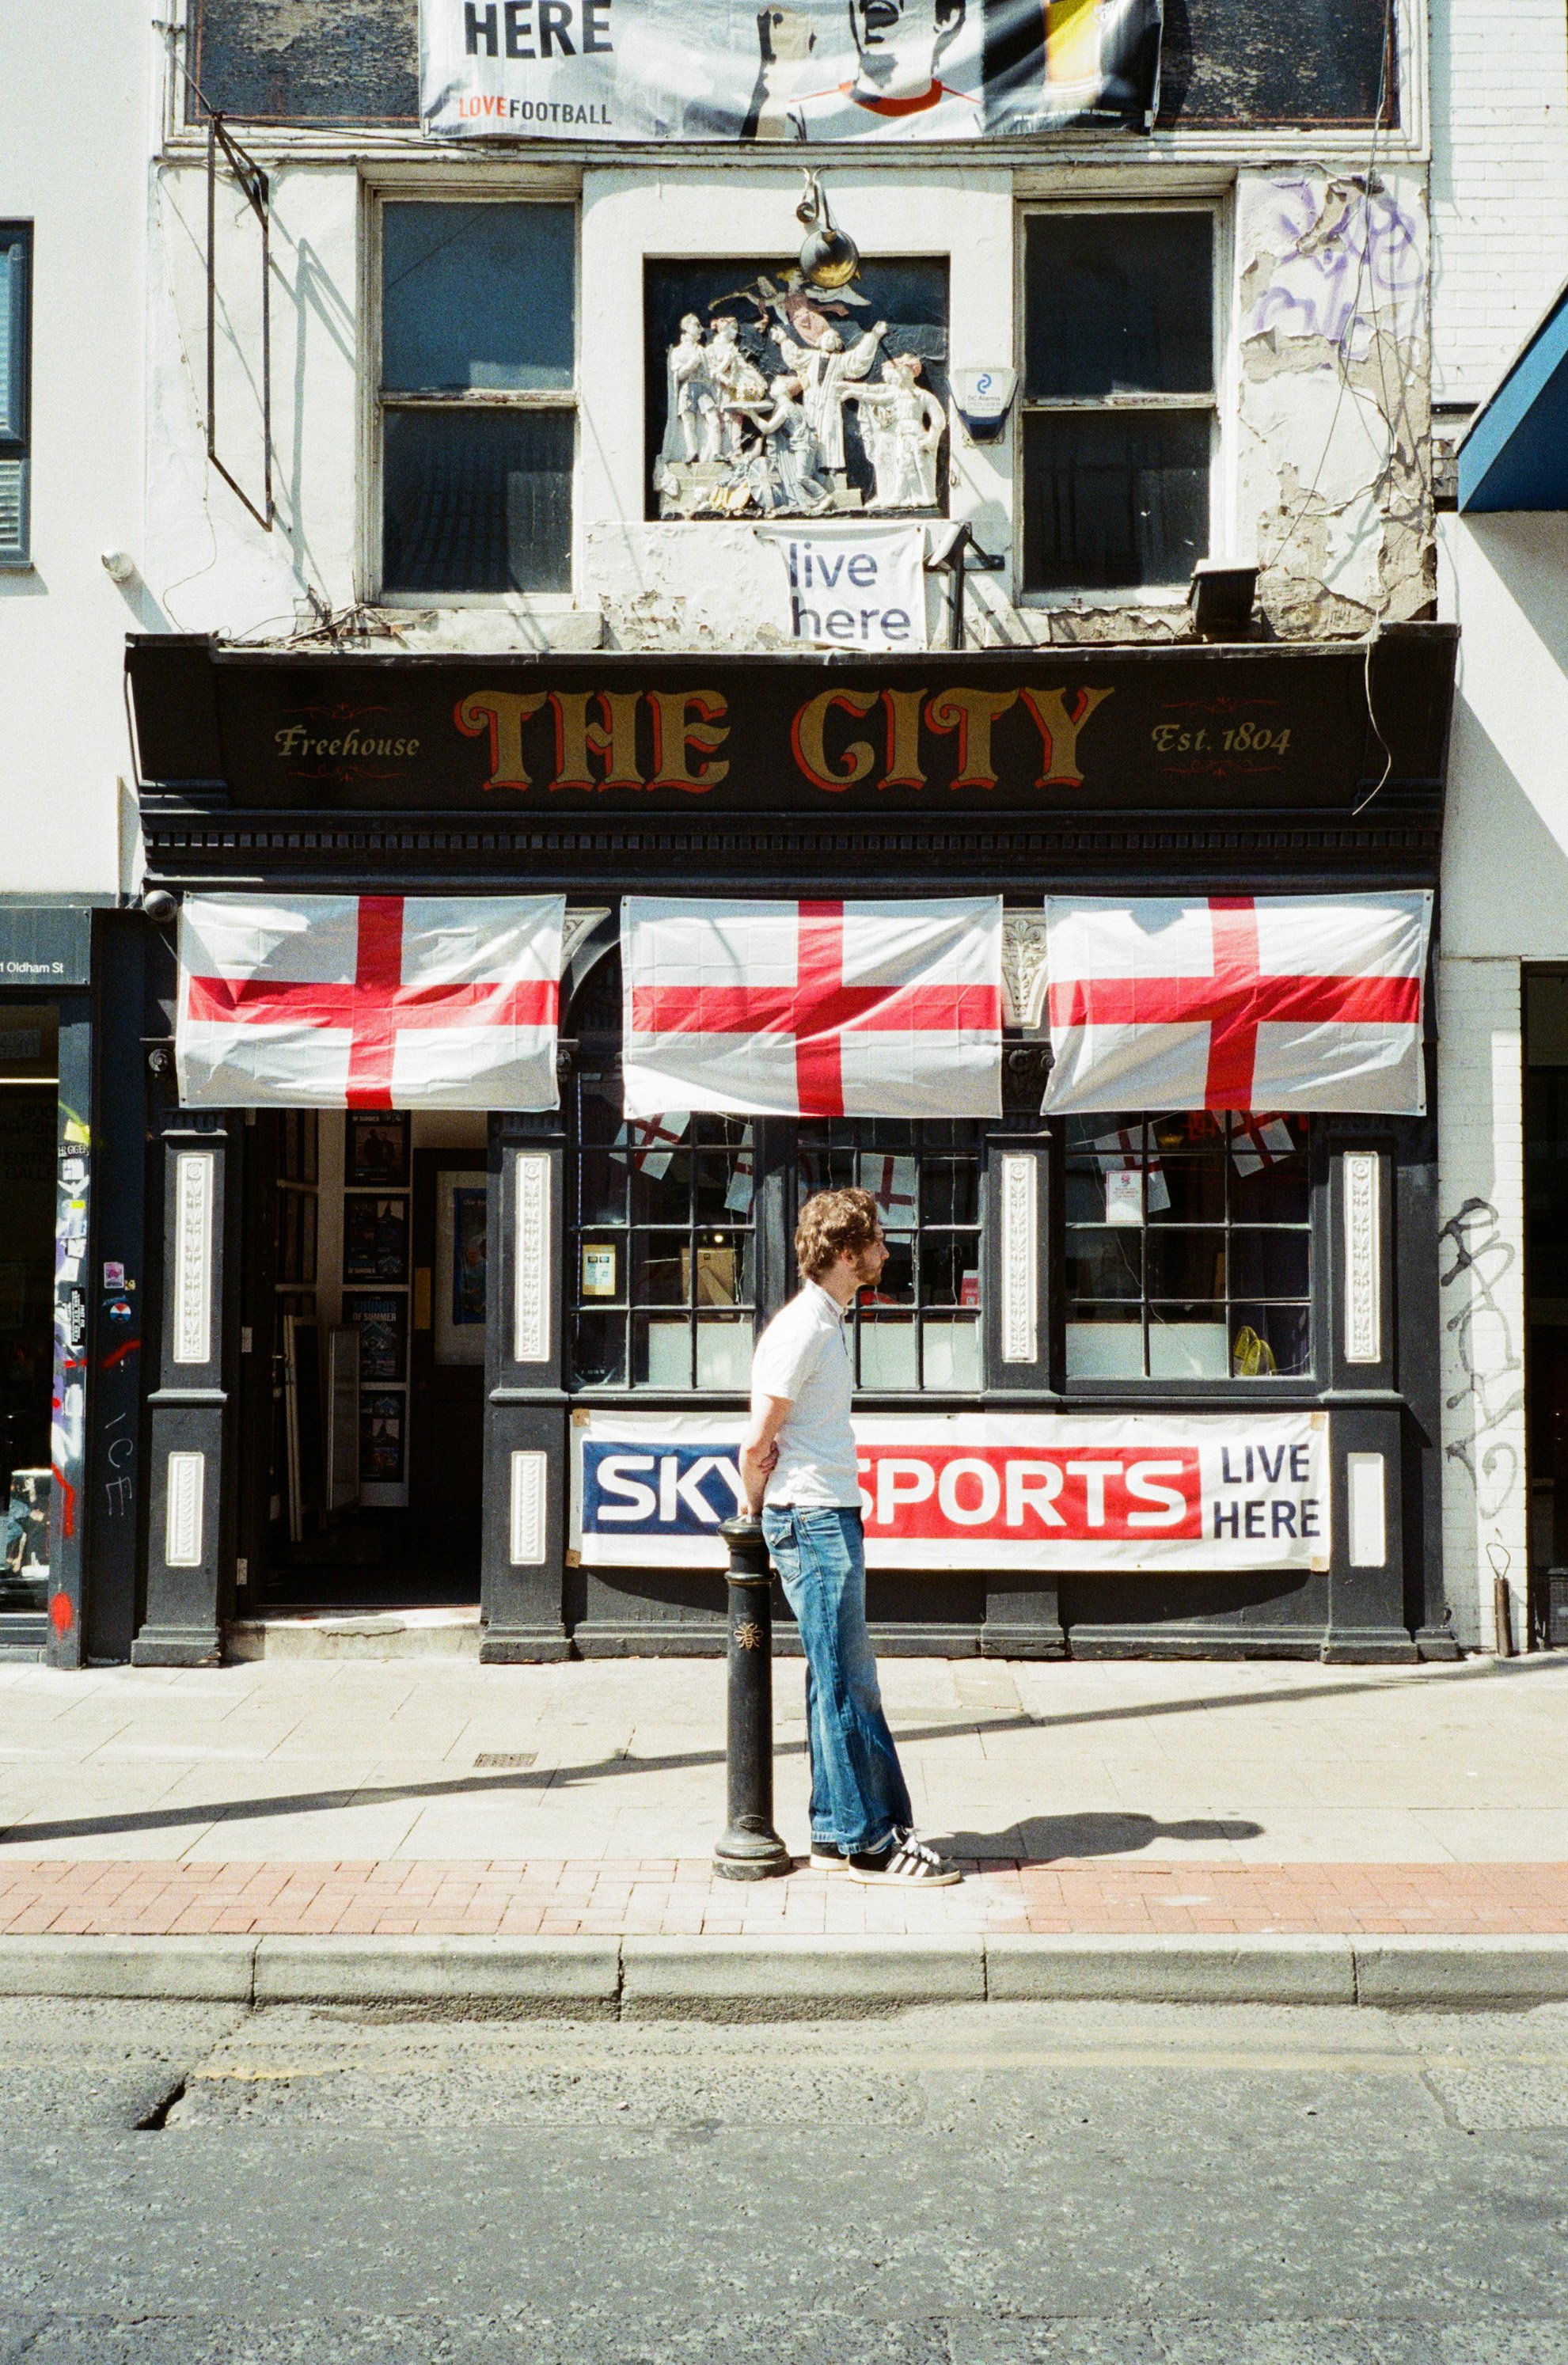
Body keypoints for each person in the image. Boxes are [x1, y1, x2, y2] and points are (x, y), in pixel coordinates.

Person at [739, 1187, 960, 1885]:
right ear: (844, 1252)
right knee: (846, 1683)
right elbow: (756, 1442)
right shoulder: (804, 1328)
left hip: (822, 1513)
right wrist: (752, 1515)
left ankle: (835, 1832)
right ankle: (871, 1843)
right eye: (876, 1243)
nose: (886, 1252)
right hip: (810, 1518)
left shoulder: (826, 1320)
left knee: (836, 1678)